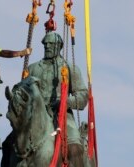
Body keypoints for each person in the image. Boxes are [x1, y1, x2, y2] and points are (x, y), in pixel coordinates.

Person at [27, 32, 88, 166]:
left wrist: (66, 102)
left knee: (75, 147)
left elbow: (83, 96)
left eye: (51, 44)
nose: (47, 46)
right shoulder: (32, 69)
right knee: (10, 143)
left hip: (62, 114)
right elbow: (23, 94)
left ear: (59, 46)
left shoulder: (70, 68)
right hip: (36, 116)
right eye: (45, 44)